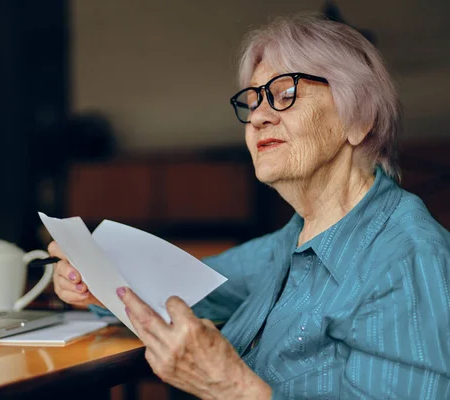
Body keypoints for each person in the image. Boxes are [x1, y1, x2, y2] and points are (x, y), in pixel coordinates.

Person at [47, 14, 450, 399]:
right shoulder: (294, 238)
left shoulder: (407, 259)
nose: (257, 116)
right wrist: (96, 281)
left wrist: (232, 389)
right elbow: (188, 288)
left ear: (358, 119)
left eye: (285, 94)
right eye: (254, 100)